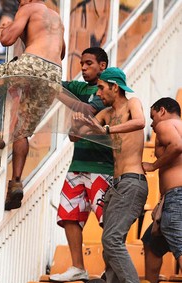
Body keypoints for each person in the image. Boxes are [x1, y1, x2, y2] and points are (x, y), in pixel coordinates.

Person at [0, 0, 65, 210]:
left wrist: (6, 29)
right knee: (22, 131)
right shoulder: (57, 18)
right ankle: (16, 181)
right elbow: (61, 53)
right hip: (54, 74)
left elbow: (6, 40)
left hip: (32, 63)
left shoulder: (29, 8)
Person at [74, 67, 146, 283]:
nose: (98, 93)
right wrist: (78, 122)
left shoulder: (132, 103)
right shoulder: (105, 114)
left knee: (112, 240)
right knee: (111, 242)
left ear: (115, 87)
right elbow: (75, 137)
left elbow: (141, 122)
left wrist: (104, 130)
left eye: (101, 88)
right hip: (116, 185)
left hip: (133, 183)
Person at [49, 47, 113, 282]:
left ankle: (112, 269)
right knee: (69, 214)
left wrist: (57, 94)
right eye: (82, 64)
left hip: (103, 165)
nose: (83, 68)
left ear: (102, 66)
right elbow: (56, 84)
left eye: (89, 64)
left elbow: (87, 109)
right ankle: (78, 267)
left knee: (107, 220)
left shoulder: (107, 89)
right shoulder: (79, 87)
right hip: (78, 163)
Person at [141, 97, 182, 283]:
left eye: (153, 116)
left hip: (177, 195)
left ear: (163, 111)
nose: (152, 123)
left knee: (178, 240)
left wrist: (153, 165)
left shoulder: (165, 125)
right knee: (151, 241)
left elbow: (177, 145)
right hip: (174, 197)